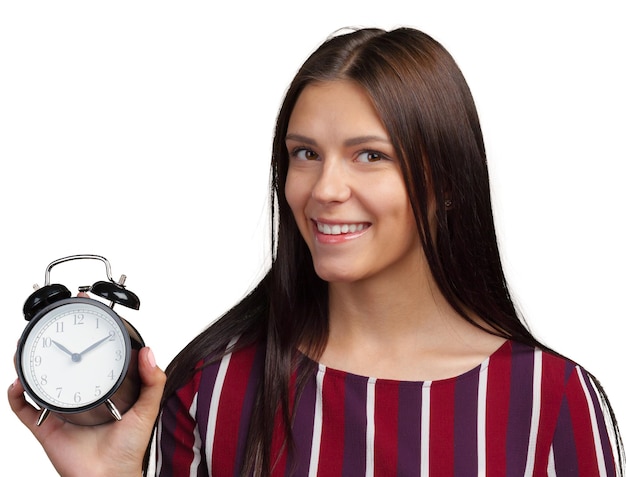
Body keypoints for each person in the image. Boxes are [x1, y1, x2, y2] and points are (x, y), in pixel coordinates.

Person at [9, 26, 624, 477]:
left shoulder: (555, 399)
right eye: (305, 154)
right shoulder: (213, 390)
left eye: (369, 155)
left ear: (444, 179)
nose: (325, 189)